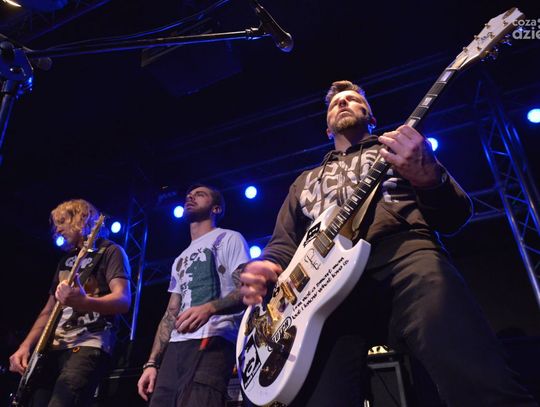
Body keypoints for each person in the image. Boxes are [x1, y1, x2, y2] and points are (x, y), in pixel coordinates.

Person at [239, 80, 538, 406]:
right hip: (322, 293)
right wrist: (266, 265)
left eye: (352, 99)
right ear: (327, 129)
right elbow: (284, 244)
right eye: (335, 103)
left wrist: (429, 176)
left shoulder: (401, 150)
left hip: (405, 257)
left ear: (371, 117)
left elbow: (455, 216)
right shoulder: (303, 182)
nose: (343, 103)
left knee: (476, 377)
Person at [9, 198, 131, 406]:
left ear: (82, 219)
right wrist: (25, 346)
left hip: (88, 342)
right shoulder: (65, 260)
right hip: (52, 347)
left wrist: (84, 301)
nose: (57, 229)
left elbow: (123, 300)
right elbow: (48, 310)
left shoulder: (110, 251)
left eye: (62, 222)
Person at [137, 184, 250, 406]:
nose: (190, 197)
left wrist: (210, 308)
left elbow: (247, 291)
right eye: (189, 194)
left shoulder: (229, 238)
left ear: (216, 208)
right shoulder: (180, 258)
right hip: (176, 347)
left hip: (215, 337)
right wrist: (151, 363)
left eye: (200, 194)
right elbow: (171, 313)